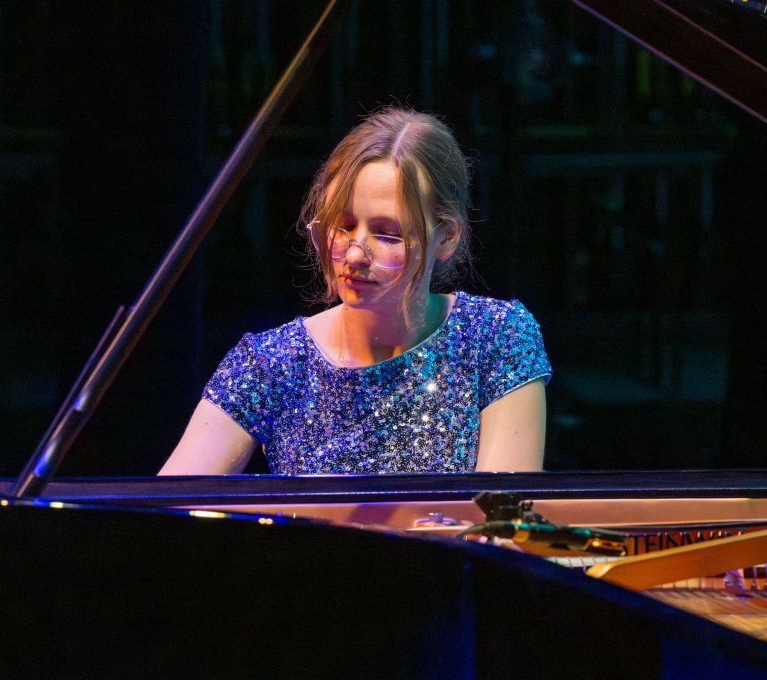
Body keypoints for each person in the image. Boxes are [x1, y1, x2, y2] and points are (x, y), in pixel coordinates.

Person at [159, 108, 550, 475]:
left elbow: (500, 520)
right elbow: (164, 513)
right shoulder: (269, 364)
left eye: (386, 233)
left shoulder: (497, 336)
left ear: (446, 237)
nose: (354, 253)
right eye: (342, 226)